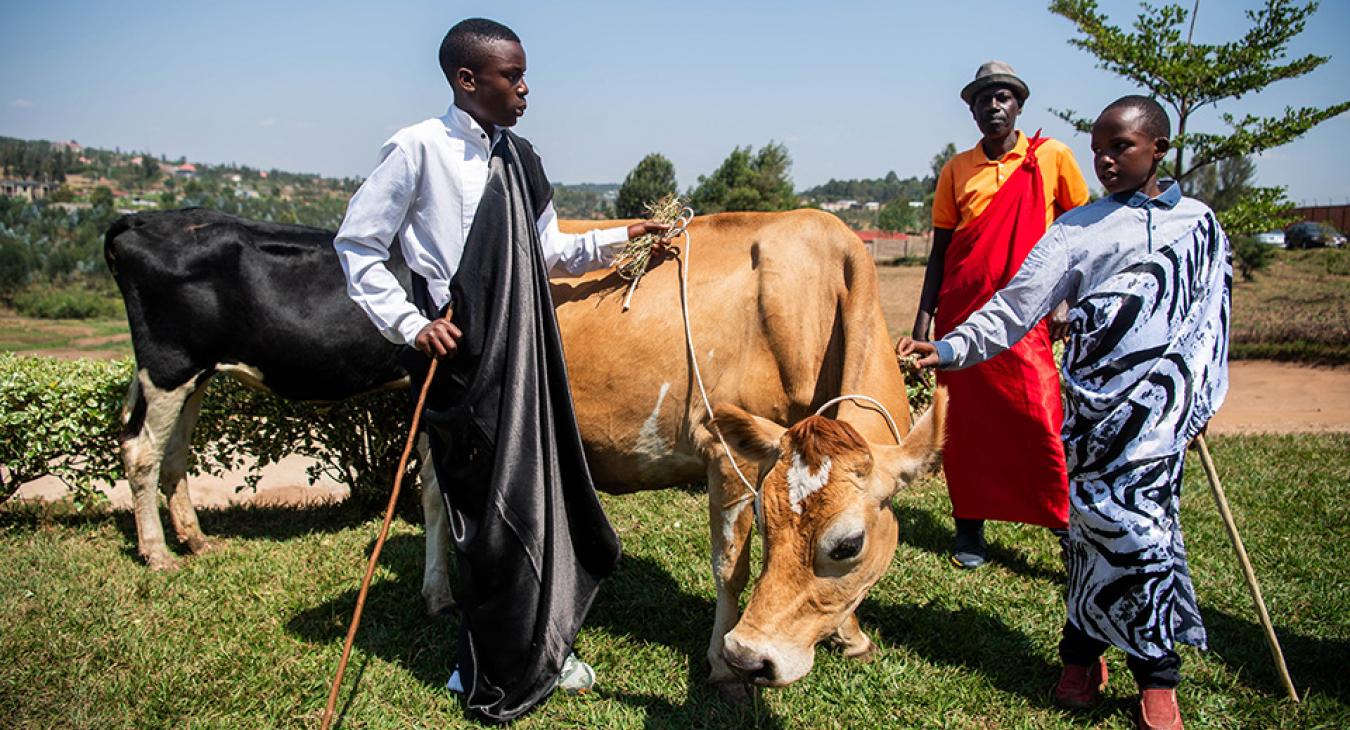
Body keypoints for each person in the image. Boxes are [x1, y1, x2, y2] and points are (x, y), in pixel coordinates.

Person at [333, 18, 669, 723]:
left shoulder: (521, 157)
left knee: (536, 503)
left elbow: (549, 253)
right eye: (511, 76)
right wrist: (411, 323)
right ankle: (479, 664)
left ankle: (546, 645)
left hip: (526, 351)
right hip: (463, 363)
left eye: (522, 75)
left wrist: (620, 237)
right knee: (484, 519)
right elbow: (359, 246)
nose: (524, 89)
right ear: (467, 79)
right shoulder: (417, 148)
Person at [898, 95, 1231, 730]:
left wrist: (1203, 400)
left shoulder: (1200, 225)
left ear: (1159, 149)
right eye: (1099, 148)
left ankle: (1157, 680)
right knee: (1089, 536)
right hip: (1093, 417)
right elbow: (1013, 308)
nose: (1104, 160)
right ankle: (1081, 653)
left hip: (1162, 422)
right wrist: (945, 347)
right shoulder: (1077, 231)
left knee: (1148, 541)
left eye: (1121, 148)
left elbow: (1215, 321)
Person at [913, 61, 1090, 569]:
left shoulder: (1052, 157)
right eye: (983, 98)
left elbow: (1081, 236)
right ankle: (969, 529)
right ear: (970, 110)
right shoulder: (956, 169)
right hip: (961, 314)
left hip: (1028, 315)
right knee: (965, 429)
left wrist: (1065, 300)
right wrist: (924, 323)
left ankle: (1063, 524)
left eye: (1004, 96)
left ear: (1019, 105)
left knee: (1040, 416)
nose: (994, 105)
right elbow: (941, 250)